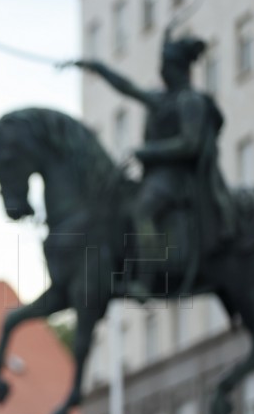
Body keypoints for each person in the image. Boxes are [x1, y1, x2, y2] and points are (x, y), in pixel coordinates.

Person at [59, 26, 235, 297]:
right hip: (155, 176)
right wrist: (96, 67)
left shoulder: (190, 102)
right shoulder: (161, 98)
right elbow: (127, 87)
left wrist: (148, 152)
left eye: (166, 65)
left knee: (142, 210)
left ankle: (146, 277)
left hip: (178, 178)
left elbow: (190, 144)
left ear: (178, 67)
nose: (162, 70)